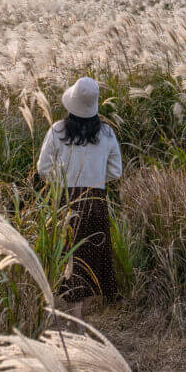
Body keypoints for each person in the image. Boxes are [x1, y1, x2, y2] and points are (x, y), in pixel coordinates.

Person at [36, 75, 122, 315]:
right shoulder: (106, 133)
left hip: (67, 199)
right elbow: (116, 171)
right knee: (94, 254)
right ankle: (81, 315)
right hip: (96, 199)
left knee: (71, 255)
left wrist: (63, 181)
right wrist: (95, 180)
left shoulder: (58, 130)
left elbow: (43, 169)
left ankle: (75, 314)